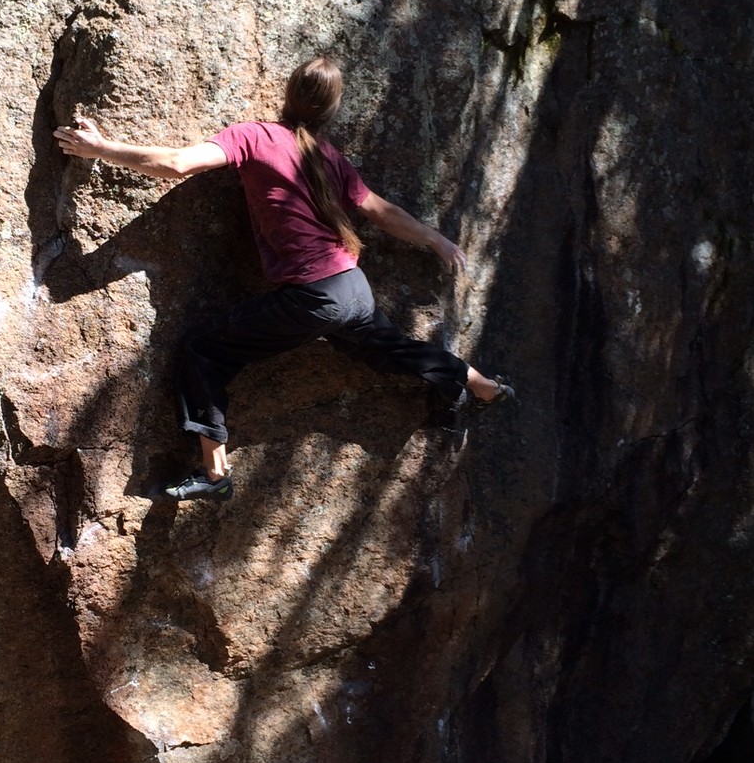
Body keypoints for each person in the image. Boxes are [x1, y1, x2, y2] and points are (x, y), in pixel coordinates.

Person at [54, 56, 513, 501]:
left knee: (203, 349)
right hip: (351, 286)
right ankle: (482, 385)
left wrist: (101, 148)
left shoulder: (255, 136)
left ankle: (215, 475)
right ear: (331, 110)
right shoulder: (329, 157)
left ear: (288, 93)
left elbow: (177, 163)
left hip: (314, 297)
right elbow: (381, 212)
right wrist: (436, 239)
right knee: (392, 349)